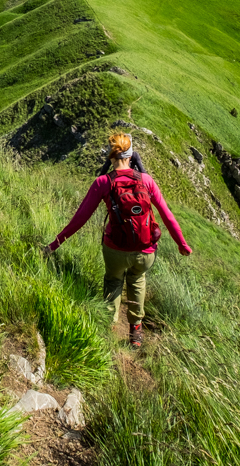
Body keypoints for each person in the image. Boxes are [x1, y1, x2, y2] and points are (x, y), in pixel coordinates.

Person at [44, 132, 191, 348]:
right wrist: (182, 244)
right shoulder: (147, 181)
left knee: (114, 281)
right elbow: (167, 215)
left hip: (115, 249)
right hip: (145, 250)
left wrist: (55, 244)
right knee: (137, 280)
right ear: (131, 156)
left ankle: (106, 328)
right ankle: (135, 333)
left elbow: (80, 219)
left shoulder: (103, 182)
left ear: (110, 157)